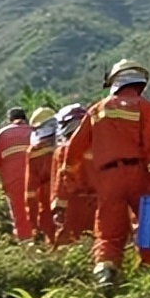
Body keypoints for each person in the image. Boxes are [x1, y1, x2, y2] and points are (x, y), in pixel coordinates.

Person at [63, 59, 150, 287]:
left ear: (115, 83)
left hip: (108, 179)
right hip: (137, 173)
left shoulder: (97, 109)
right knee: (148, 225)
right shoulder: (146, 108)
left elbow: (74, 148)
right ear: (140, 83)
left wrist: (68, 175)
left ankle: (104, 274)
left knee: (109, 233)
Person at [50, 103, 96, 246]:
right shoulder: (100, 147)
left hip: (74, 207)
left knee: (69, 245)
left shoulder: (63, 151)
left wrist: (58, 211)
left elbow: (60, 184)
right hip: (101, 204)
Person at [0, 106, 34, 240]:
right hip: (36, 177)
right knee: (40, 209)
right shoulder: (33, 131)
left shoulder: (2, 134)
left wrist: (4, 173)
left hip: (12, 180)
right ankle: (47, 242)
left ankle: (26, 243)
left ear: (10, 120)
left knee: (19, 213)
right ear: (25, 118)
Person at [24, 106, 58, 242]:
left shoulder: (35, 151)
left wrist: (33, 222)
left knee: (54, 241)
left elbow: (30, 190)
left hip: (47, 198)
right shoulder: (66, 142)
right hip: (72, 196)